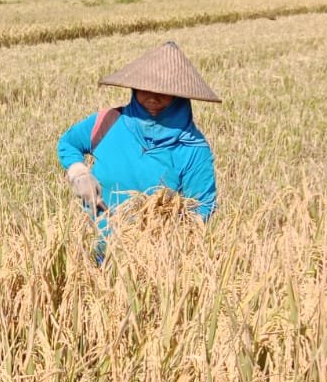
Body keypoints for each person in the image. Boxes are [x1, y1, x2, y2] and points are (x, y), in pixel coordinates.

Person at [57, 41, 220, 245]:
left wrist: (165, 244)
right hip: (90, 249)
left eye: (163, 91)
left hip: (148, 259)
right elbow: (69, 143)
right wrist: (78, 172)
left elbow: (201, 209)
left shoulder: (192, 149)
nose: (153, 98)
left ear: (179, 96)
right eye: (145, 89)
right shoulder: (109, 121)